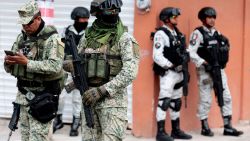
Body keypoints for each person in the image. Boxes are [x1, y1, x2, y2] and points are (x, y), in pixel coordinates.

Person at [64, 0, 139, 140]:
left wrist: (101, 90)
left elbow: (130, 72)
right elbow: (77, 60)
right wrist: (69, 64)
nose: (112, 15)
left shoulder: (124, 38)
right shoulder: (88, 36)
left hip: (113, 103)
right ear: (97, 14)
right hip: (88, 98)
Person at [3, 0, 64, 141]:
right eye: (23, 24)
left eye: (28, 23)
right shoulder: (22, 37)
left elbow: (55, 66)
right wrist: (8, 63)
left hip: (42, 98)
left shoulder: (52, 39)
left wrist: (27, 63)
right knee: (25, 138)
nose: (25, 27)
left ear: (38, 18)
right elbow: (11, 66)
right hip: (23, 96)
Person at [188, 7, 244, 137]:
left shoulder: (216, 33)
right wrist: (204, 63)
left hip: (219, 70)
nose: (212, 20)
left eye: (214, 17)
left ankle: (228, 126)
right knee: (206, 99)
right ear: (203, 19)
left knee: (226, 97)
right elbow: (190, 51)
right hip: (205, 71)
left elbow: (223, 46)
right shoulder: (198, 33)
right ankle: (204, 126)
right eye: (209, 17)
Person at [152, 7, 192, 141]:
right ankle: (161, 133)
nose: (177, 19)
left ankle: (176, 130)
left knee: (176, 102)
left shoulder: (177, 33)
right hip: (168, 73)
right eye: (174, 17)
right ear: (166, 18)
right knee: (164, 101)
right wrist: (170, 65)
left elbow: (184, 51)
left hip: (180, 73)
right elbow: (157, 56)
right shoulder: (161, 34)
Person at [53, 6, 90, 137]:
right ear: (75, 18)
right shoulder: (66, 31)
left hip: (81, 70)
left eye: (86, 19)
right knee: (60, 96)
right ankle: (58, 120)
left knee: (77, 99)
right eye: (82, 19)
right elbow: (59, 48)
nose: (84, 21)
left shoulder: (89, 32)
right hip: (66, 69)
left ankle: (75, 124)